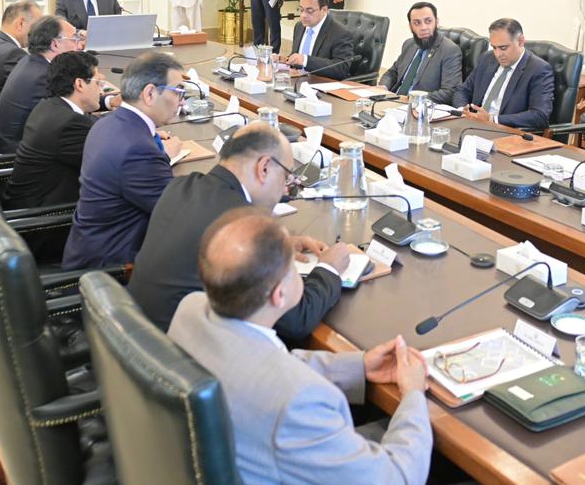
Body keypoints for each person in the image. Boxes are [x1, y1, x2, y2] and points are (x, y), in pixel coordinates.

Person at [169, 211, 432, 483]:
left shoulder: (191, 310)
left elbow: (264, 363)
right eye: (292, 267)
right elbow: (397, 478)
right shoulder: (298, 403)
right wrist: (413, 394)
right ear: (279, 295)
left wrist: (360, 365)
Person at [130, 122, 357, 336]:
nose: (285, 189)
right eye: (286, 176)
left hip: (137, 334)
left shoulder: (182, 185)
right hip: (186, 351)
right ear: (264, 168)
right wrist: (329, 268)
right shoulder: (243, 222)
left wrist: (278, 246)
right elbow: (298, 319)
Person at [62, 52, 187, 269]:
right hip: (111, 270)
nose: (182, 101)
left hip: (90, 249)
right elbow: (177, 213)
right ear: (150, 93)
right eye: (178, 92)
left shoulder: (107, 123)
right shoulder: (137, 149)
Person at [3, 51, 103, 209]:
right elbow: (109, 166)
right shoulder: (69, 124)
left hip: (28, 202)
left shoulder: (49, 106)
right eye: (98, 83)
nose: (101, 91)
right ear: (79, 84)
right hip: (45, 216)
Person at [0, 15, 85, 154]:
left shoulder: (32, 62)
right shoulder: (42, 76)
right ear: (55, 44)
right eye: (74, 39)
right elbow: (67, 115)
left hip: (19, 144)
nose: (80, 45)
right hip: (15, 156)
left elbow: (70, 98)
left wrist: (108, 101)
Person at [452, 18, 553, 130]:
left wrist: (492, 119)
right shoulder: (487, 58)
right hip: (472, 126)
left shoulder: (538, 69)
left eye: (503, 48)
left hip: (505, 132)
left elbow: (540, 116)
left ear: (520, 41)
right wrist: (463, 110)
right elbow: (462, 90)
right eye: (494, 47)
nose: (498, 54)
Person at [378, 1, 462, 104]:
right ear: (410, 27)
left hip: (420, 107)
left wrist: (413, 99)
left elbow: (450, 92)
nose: (423, 27)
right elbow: (392, 73)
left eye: (428, 21)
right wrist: (383, 87)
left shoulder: (449, 50)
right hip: (393, 101)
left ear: (437, 22)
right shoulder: (409, 44)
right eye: (417, 23)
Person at [281, 0, 354, 80]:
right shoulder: (299, 26)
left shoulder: (340, 33)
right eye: (301, 10)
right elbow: (298, 58)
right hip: (297, 81)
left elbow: (342, 69)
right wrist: (283, 60)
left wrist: (306, 60)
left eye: (309, 11)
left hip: (321, 84)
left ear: (324, 10)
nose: (303, 15)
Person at [0, 0, 41, 105]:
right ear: (20, 23)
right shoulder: (12, 55)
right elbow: (35, 91)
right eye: (37, 26)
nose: (40, 33)